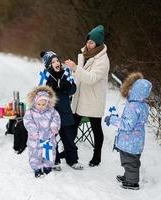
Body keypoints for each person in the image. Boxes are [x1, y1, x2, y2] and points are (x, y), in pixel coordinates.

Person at [65, 25, 110, 167]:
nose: (88, 45)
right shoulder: (84, 54)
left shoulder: (103, 60)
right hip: (80, 97)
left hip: (94, 99)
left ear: (98, 43)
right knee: (72, 125)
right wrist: (73, 72)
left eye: (91, 42)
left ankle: (97, 157)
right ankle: (69, 151)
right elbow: (80, 76)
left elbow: (91, 78)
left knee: (96, 128)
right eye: (87, 41)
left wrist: (75, 68)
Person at [104, 72, 152, 190]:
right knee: (129, 161)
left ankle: (132, 182)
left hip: (130, 141)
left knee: (130, 162)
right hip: (135, 140)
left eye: (131, 88)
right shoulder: (142, 105)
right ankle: (128, 176)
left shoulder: (133, 106)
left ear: (135, 91)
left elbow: (127, 124)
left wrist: (113, 119)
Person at [40, 51, 83, 170]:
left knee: (69, 138)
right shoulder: (45, 75)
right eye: (53, 62)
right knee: (52, 138)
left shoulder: (66, 73)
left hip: (65, 112)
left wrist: (67, 87)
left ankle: (72, 160)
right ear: (49, 65)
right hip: (51, 114)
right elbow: (40, 93)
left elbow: (73, 90)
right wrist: (49, 88)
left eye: (57, 60)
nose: (56, 63)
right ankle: (54, 161)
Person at [23, 85, 61, 178]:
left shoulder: (52, 111)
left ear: (48, 103)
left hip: (48, 137)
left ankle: (47, 167)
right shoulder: (30, 112)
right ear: (35, 102)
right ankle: (37, 169)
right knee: (35, 154)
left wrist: (54, 126)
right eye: (39, 104)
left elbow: (56, 119)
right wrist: (34, 131)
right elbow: (28, 122)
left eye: (44, 104)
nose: (41, 106)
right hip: (35, 138)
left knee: (49, 154)